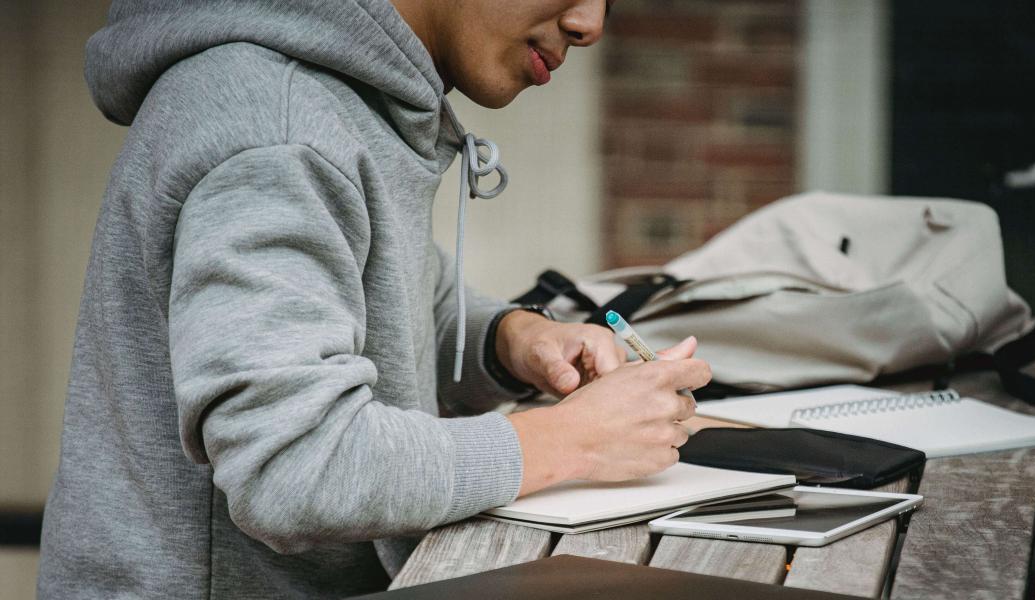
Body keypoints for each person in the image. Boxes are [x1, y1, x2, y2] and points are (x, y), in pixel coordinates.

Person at [37, 0, 711, 597]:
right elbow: (293, 467)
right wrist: (570, 441)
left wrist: (512, 340)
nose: (590, 23)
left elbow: (388, 297)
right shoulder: (281, 131)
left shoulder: (355, 102)